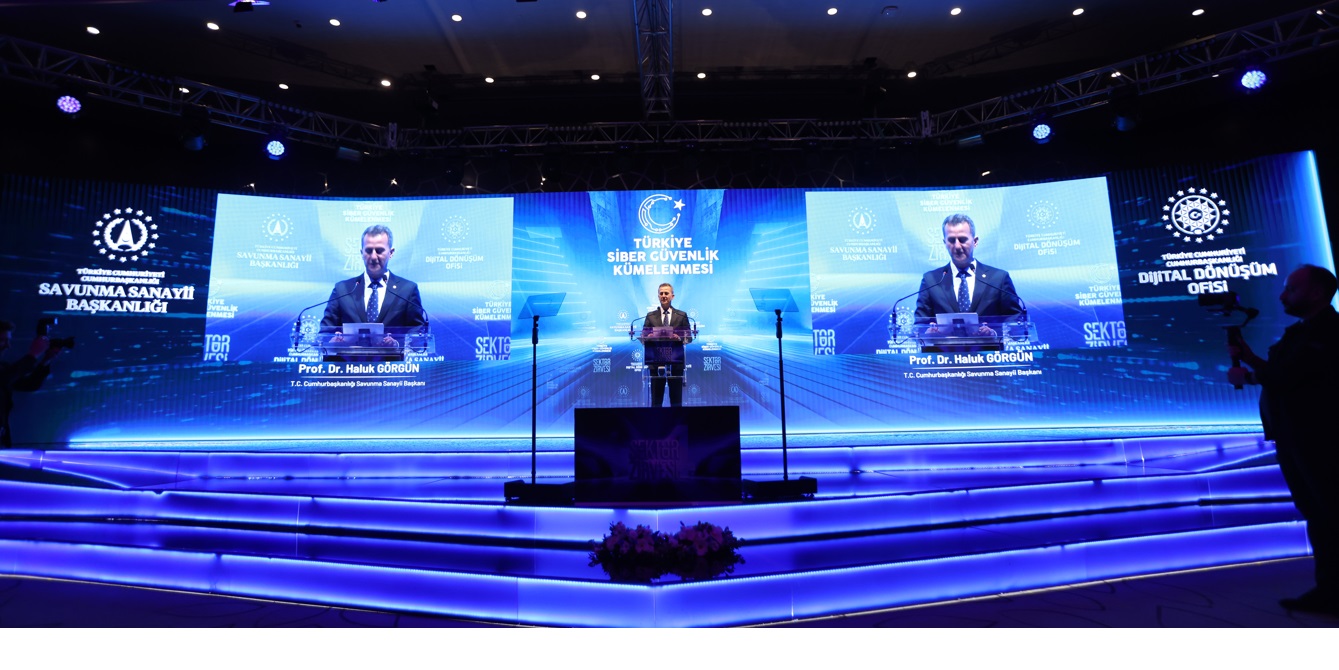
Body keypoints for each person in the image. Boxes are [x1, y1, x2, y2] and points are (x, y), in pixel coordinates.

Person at [1227, 264, 1339, 615]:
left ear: (1316, 293)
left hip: (1321, 439)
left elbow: (1290, 376)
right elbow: (1283, 373)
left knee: (1330, 514)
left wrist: (1250, 375)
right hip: (1297, 437)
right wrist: (1250, 360)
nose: (1282, 296)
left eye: (1290, 289)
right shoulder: (1304, 331)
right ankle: (1329, 590)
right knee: (1319, 515)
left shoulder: (1329, 332)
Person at [915, 213, 1023, 335]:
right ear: (944, 243)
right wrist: (927, 333)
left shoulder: (998, 278)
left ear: (975, 241)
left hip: (989, 347)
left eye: (962, 239)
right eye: (951, 240)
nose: (957, 246)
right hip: (944, 348)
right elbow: (920, 325)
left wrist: (994, 332)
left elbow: (1015, 319)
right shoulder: (931, 280)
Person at [320, 224, 426, 345]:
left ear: (391, 253)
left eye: (379, 251)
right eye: (368, 251)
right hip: (349, 357)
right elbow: (325, 333)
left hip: (393, 358)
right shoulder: (342, 290)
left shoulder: (407, 290)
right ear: (361, 253)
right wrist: (332, 341)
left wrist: (397, 344)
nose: (373, 257)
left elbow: (418, 332)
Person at [1, 320, 64, 448]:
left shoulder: (3, 368)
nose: (8, 346)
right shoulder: (4, 372)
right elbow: (4, 379)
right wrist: (33, 355)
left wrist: (46, 360)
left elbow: (29, 384)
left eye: (8, 340)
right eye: (2, 340)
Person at [640, 283, 693, 407]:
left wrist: (679, 338)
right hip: (656, 362)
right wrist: (648, 337)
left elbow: (689, 337)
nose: (663, 295)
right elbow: (643, 336)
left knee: (676, 401)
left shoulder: (681, 315)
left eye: (666, 293)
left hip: (676, 362)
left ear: (672, 296)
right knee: (656, 401)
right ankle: (655, 420)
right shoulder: (650, 316)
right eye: (661, 293)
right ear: (658, 296)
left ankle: (677, 420)